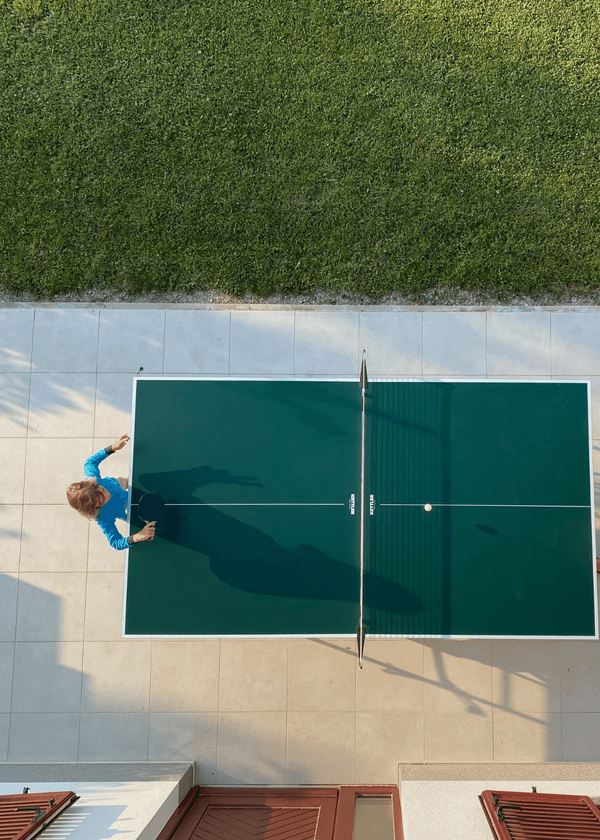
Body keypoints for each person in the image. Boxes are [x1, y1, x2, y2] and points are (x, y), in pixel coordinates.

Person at [67, 434, 155, 549]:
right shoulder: (102, 517)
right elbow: (115, 543)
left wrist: (112, 448)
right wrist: (137, 536)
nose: (106, 494)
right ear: (95, 508)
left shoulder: (94, 479)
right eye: (102, 499)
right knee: (146, 519)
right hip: (124, 507)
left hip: (118, 484)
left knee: (131, 479)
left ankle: (128, 480)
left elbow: (90, 462)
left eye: (102, 489)